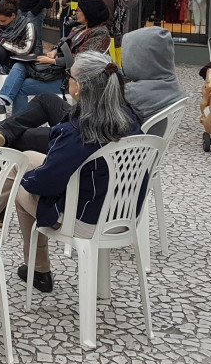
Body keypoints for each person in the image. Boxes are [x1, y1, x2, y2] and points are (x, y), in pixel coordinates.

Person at [13, 51, 143, 293]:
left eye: (68, 76)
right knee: (27, 159)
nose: (67, 81)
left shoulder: (80, 131)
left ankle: (38, 269)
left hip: (86, 217)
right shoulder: (131, 118)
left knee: (20, 185)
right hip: (122, 212)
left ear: (79, 88)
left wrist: (27, 180)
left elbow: (46, 184)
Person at [0, 25, 184, 152]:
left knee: (23, 137)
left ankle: (0, 138)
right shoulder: (164, 84)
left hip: (92, 141)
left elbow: (91, 110)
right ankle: (0, 132)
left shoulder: (134, 91)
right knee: (46, 99)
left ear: (141, 58)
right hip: (103, 135)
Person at [0, 0, 112, 115]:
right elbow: (59, 44)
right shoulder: (79, 29)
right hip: (58, 73)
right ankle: (4, 104)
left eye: (80, 11)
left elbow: (84, 60)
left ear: (89, 13)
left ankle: (15, 121)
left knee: (19, 86)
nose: (76, 13)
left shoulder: (100, 33)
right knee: (21, 65)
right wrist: (53, 51)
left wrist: (54, 61)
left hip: (74, 81)